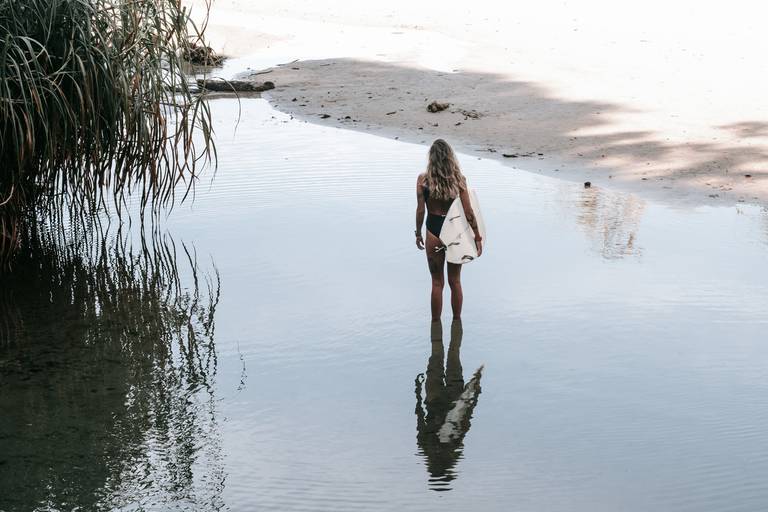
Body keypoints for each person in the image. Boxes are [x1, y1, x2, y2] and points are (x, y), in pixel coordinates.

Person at [415, 139, 482, 321]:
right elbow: (468, 212)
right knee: (455, 281)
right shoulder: (459, 180)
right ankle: (457, 323)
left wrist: (418, 233)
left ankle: (435, 326)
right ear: (450, 157)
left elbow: (420, 210)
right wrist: (477, 236)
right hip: (454, 233)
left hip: (433, 231)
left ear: (431, 158)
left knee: (437, 283)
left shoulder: (423, 180)